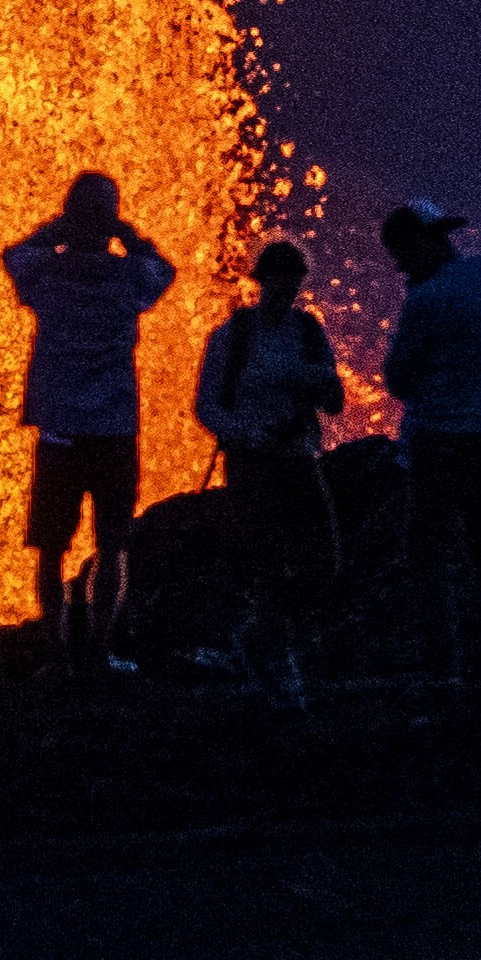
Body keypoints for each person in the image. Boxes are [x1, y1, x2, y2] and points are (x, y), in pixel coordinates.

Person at [4, 173, 176, 673]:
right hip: (113, 427)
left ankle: (56, 652)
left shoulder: (48, 276)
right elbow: (163, 270)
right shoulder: (128, 279)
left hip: (59, 428)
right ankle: (100, 650)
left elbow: (14, 255)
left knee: (51, 546)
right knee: (114, 541)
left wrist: (57, 229)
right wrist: (126, 233)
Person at [381, 201, 481, 692]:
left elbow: (397, 380)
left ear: (423, 244)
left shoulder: (425, 299)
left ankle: (444, 670)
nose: (401, 268)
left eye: (402, 256)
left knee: (429, 554)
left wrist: (420, 297)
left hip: (440, 440)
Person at [196, 239, 348, 709]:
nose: (286, 290)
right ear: (262, 281)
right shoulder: (232, 337)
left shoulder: (308, 332)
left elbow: (334, 398)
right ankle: (272, 654)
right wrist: (247, 432)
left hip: (299, 458)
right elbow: (206, 406)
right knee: (263, 560)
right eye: (279, 280)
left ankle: (263, 637)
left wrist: (312, 381)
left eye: (293, 281)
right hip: (253, 463)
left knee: (323, 557)